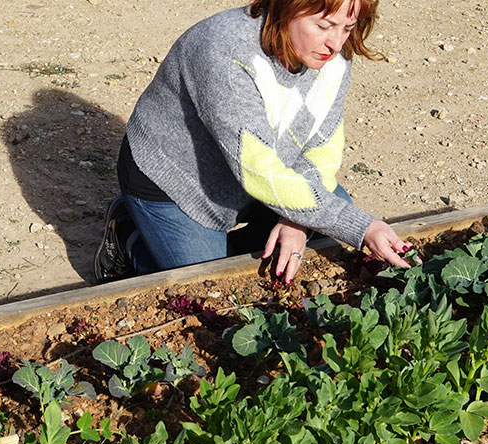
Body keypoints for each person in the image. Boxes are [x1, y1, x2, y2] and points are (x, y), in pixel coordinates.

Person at [94, 0, 413, 284]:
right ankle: (128, 236)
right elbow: (258, 168)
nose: (336, 41)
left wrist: (295, 218)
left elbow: (323, 145)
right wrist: (361, 227)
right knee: (209, 289)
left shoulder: (334, 56)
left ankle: (205, 248)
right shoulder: (225, 50)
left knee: (323, 216)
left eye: (348, 27)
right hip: (176, 184)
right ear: (288, 7)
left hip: (255, 175)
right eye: (324, 25)